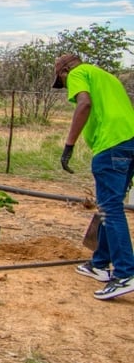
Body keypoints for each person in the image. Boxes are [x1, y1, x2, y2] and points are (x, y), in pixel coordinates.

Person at [53, 54, 134, 300]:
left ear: (65, 71)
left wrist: (69, 145)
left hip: (111, 145)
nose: (66, 85)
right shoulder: (107, 76)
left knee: (110, 209)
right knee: (110, 204)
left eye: (62, 81)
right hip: (129, 142)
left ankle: (125, 273)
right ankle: (99, 263)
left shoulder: (78, 73)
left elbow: (85, 104)